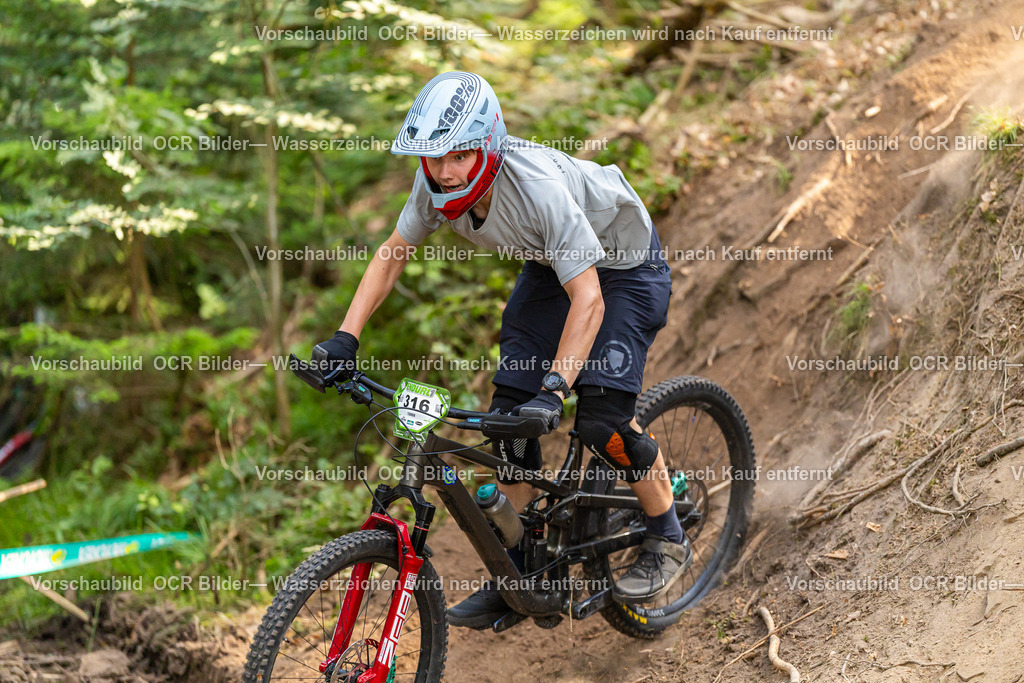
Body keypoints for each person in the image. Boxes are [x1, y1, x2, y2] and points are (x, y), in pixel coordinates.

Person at [314, 71, 691, 629]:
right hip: (552, 265)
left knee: (602, 420)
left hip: (625, 268)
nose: (445, 171)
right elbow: (393, 253)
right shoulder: (433, 186)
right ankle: (519, 571)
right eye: (434, 158)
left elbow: (589, 298)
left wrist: (556, 390)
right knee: (509, 419)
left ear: (487, 146)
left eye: (459, 156)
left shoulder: (536, 186)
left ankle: (667, 534)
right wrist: (345, 339)